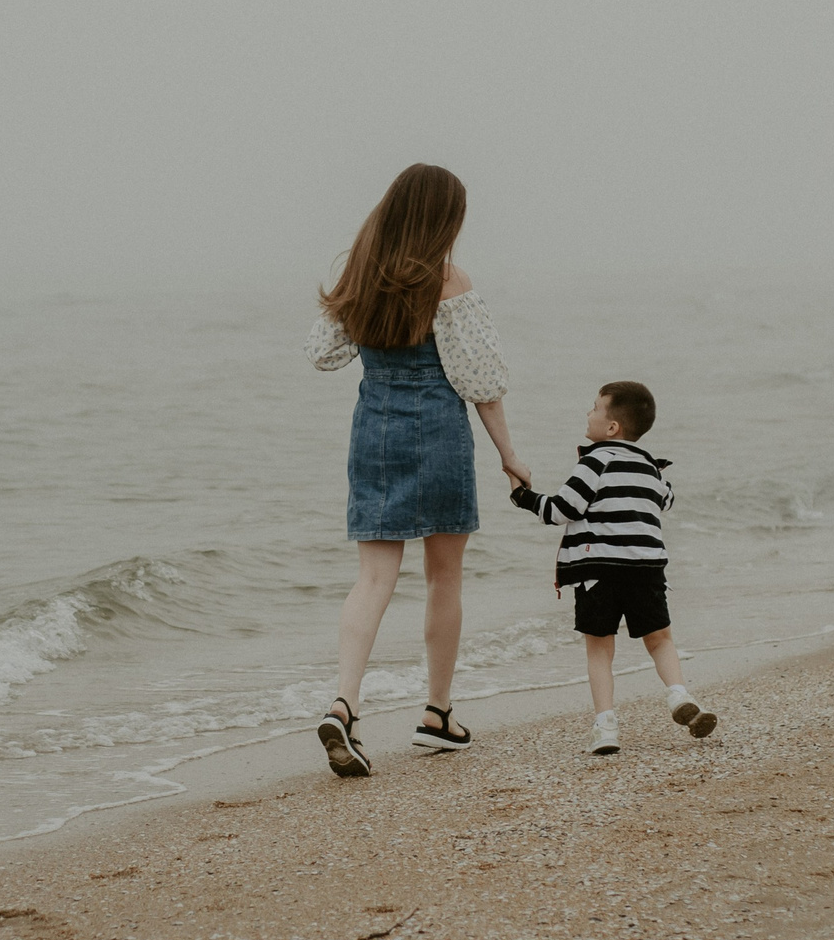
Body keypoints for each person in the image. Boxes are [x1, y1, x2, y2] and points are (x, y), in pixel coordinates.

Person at [305, 164, 530, 777]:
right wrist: (510, 456)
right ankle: (436, 714)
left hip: (373, 425)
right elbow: (481, 383)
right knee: (443, 577)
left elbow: (323, 355)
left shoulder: (359, 272)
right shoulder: (448, 280)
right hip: (437, 427)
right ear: (442, 219)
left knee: (372, 579)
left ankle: (344, 703)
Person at [511, 381, 720, 756]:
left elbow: (563, 510)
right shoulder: (650, 467)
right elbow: (666, 499)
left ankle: (606, 726)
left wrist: (522, 495)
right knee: (660, 639)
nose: (587, 414)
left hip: (599, 570)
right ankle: (678, 695)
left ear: (611, 428)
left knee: (599, 649)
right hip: (646, 569)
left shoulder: (593, 460)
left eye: (593, 408)